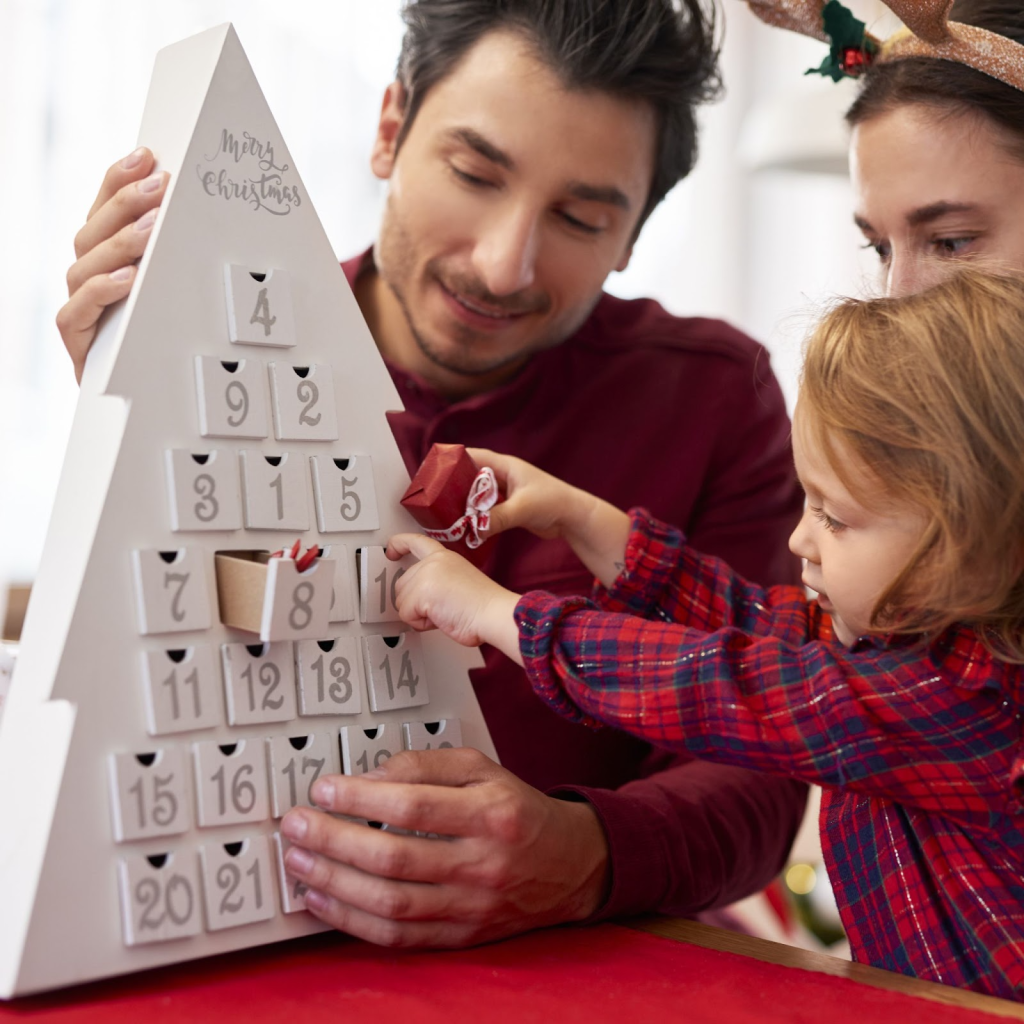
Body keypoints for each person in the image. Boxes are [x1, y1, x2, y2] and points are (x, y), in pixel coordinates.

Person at [57, 0, 806, 948]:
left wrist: (589, 854)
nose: (503, 267)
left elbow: (766, 760)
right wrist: (126, 442)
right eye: (473, 173)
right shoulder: (216, 344)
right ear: (388, 129)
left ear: (632, 238)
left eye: (579, 217)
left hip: (572, 968)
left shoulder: (711, 398)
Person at [385, 268, 1024, 1000]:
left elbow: (727, 684)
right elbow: (756, 625)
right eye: (808, 500)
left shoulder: (962, 695)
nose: (801, 539)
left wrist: (502, 615)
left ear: (981, 546)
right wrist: (582, 519)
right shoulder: (909, 642)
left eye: (837, 518)